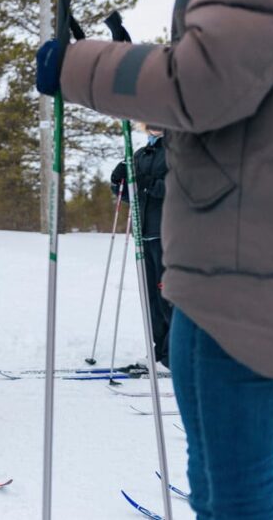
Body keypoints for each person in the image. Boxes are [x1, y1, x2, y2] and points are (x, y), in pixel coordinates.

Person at [37, 0, 273, 518]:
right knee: (271, 478)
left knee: (237, 494)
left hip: (236, 277)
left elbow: (201, 83)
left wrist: (72, 64)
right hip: (271, 266)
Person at [110, 125, 172, 369]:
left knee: (169, 298)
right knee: (153, 301)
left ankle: (172, 357)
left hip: (169, 233)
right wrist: (120, 184)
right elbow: (132, 195)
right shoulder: (139, 154)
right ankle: (159, 353)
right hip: (144, 234)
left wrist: (148, 185)